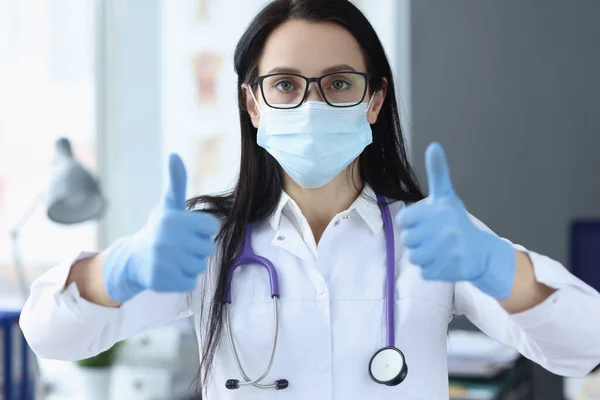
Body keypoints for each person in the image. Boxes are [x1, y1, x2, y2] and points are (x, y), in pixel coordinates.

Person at [19, 0, 600, 399]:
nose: (313, 105)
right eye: (287, 84)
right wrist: (114, 273)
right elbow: (50, 335)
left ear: (373, 101)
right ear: (253, 104)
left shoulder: (434, 238)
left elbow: (586, 348)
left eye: (340, 83)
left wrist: (505, 271)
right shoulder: (206, 240)